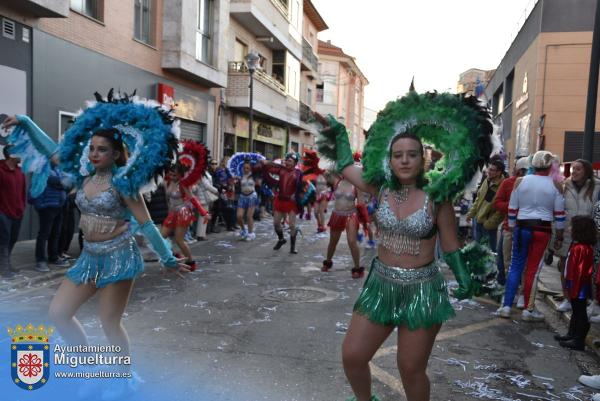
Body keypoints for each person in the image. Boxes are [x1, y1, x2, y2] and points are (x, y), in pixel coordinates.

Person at [2, 94, 189, 400]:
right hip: (89, 257)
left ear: (117, 154)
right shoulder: (83, 174)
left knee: (109, 323)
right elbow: (50, 148)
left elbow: (146, 224)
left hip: (118, 257)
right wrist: (25, 121)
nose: (94, 153)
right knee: (59, 313)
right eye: (91, 148)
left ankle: (120, 378)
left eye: (102, 150)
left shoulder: (124, 184)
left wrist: (168, 258)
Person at [316, 91, 490, 401]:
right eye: (398, 155)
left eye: (412, 154)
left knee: (409, 368)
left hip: (422, 291)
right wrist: (340, 134)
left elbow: (450, 245)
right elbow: (344, 167)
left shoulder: (438, 196)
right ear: (390, 159)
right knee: (353, 356)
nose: (405, 160)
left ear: (423, 157)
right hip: (380, 286)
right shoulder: (379, 186)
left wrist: (464, 277)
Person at [498, 151, 565, 321]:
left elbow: (512, 208)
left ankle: (506, 306)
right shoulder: (556, 185)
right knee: (533, 271)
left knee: (515, 266)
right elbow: (560, 215)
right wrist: (560, 236)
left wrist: (512, 227)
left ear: (533, 165)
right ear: (550, 166)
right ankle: (528, 309)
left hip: (521, 227)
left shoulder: (520, 182)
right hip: (543, 230)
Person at [554, 159, 600, 313]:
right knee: (565, 267)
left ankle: (589, 299)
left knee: (589, 270)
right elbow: (558, 210)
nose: (574, 171)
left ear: (586, 171)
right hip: (568, 233)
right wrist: (557, 235)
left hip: (589, 237)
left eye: (578, 169)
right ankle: (567, 298)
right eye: (573, 169)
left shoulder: (597, 187)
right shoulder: (564, 185)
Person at [553, 215, 595, 350]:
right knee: (576, 311)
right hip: (574, 285)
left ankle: (578, 339)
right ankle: (572, 334)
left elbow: (581, 272)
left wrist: (573, 287)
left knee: (580, 312)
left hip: (579, 287)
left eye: (572, 226)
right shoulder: (578, 246)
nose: (569, 228)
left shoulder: (582, 248)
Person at [161, 163, 209, 271]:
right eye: (171, 174)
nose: (172, 177)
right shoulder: (167, 181)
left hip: (183, 213)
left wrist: (203, 212)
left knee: (179, 240)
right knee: (161, 238)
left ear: (181, 175)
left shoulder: (183, 184)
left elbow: (192, 198)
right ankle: (175, 256)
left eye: (175, 175)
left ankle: (190, 262)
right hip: (172, 213)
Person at [493, 156, 530, 286]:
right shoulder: (507, 183)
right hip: (509, 228)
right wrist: (513, 206)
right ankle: (507, 287)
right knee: (505, 261)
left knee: (525, 264)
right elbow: (497, 203)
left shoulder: (534, 184)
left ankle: (520, 291)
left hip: (528, 229)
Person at [321, 173, 364, 278]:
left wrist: (364, 219)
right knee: (333, 242)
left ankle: (357, 268)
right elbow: (325, 173)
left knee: (352, 242)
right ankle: (328, 262)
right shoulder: (337, 181)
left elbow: (361, 203)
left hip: (351, 215)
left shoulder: (357, 185)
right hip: (337, 214)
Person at [259, 153, 303, 254]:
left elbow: (300, 187)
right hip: (280, 200)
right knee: (276, 224)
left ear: (295, 163)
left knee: (292, 225)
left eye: (290, 161)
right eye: (287, 160)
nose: (288, 162)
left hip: (291, 202)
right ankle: (281, 239)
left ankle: (292, 247)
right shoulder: (281, 170)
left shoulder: (298, 173)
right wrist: (266, 163)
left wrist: (296, 195)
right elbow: (269, 170)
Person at [30, 164, 70, 272]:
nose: (59, 157)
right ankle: (40, 260)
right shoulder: (42, 168)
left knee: (56, 233)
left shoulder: (57, 169)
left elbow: (68, 183)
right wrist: (62, 182)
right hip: (47, 205)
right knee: (44, 234)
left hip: (59, 205)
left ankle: (53, 256)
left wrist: (63, 182)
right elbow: (58, 181)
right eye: (56, 154)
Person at [466, 159, 505, 252]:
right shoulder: (486, 181)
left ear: (499, 172)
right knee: (478, 251)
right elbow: (478, 199)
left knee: (490, 253)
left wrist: (490, 223)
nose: (488, 172)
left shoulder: (503, 186)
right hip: (478, 221)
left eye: (492, 170)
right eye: (489, 169)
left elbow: (501, 211)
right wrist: (471, 214)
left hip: (489, 225)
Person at [0, 145, 26, 278]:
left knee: (13, 239)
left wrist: (22, 207)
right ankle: (4, 269)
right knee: (4, 240)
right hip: (3, 212)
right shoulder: (1, 170)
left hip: (17, 212)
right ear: (11, 154)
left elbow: (22, 192)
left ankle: (6, 264)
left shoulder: (20, 171)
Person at [235, 160, 260, 241]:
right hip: (242, 196)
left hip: (252, 196)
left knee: (249, 216)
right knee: (239, 216)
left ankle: (250, 233)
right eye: (244, 168)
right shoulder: (240, 176)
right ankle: (243, 230)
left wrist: (258, 181)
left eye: (248, 168)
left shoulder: (254, 176)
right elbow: (236, 185)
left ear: (251, 168)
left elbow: (259, 183)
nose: (246, 169)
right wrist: (235, 182)